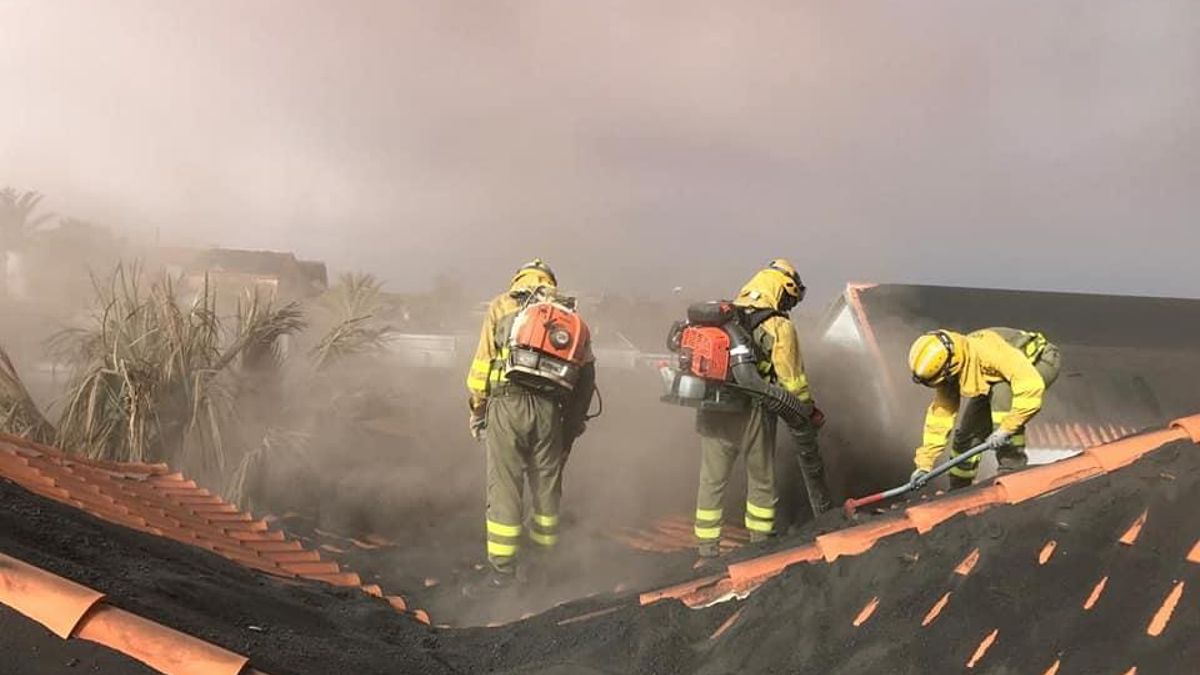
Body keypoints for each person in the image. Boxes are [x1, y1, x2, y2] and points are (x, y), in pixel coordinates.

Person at [465, 259, 595, 589]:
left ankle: (502, 575)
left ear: (518, 279)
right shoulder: (571, 317)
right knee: (546, 492)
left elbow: (481, 368)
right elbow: (586, 380)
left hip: (507, 406)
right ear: (551, 282)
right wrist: (570, 429)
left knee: (506, 488)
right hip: (550, 413)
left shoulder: (501, 305)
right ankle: (543, 569)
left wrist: (478, 411)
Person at [693, 259, 830, 559]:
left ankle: (706, 550)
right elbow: (793, 382)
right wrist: (807, 412)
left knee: (712, 480)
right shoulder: (778, 324)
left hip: (713, 406)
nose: (789, 306)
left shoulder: (724, 317)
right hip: (753, 407)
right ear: (784, 289)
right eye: (790, 299)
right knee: (761, 480)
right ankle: (759, 546)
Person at [907, 327, 1062, 490]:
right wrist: (924, 465)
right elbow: (939, 420)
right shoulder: (953, 365)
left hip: (1039, 361)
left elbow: (1030, 386)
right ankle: (959, 489)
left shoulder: (989, 352)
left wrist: (1006, 429)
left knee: (1002, 395)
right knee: (967, 435)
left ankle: (1012, 469)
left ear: (950, 367)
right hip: (997, 379)